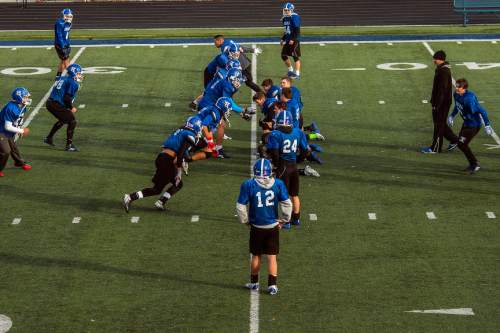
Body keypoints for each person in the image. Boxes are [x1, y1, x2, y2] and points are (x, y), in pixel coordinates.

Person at [123, 117, 203, 212]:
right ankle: (135, 198)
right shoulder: (190, 135)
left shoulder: (180, 131)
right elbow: (179, 157)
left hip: (161, 157)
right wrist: (179, 173)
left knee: (158, 189)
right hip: (168, 160)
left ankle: (135, 198)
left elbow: (180, 152)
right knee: (175, 184)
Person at [237, 158, 292, 295]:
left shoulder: (248, 184)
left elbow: (240, 205)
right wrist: (285, 220)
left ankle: (254, 283)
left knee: (256, 256)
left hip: (256, 226)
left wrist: (245, 221)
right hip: (273, 226)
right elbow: (287, 203)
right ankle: (272, 285)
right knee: (272, 257)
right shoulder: (278, 184)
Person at [266, 110, 309, 228]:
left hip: (283, 166)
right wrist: (298, 160)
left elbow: (274, 153)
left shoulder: (275, 134)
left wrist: (275, 165)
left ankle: (287, 221)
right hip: (293, 165)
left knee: (283, 196)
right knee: (294, 194)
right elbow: (305, 151)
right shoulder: (298, 132)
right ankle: (296, 219)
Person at [447, 79, 493, 174]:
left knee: (462, 144)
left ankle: (475, 164)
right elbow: (457, 105)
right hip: (466, 123)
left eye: (458, 87)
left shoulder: (469, 98)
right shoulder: (456, 94)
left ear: (464, 88)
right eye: (456, 86)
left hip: (473, 125)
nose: (456, 88)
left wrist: (487, 125)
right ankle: (473, 164)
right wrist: (452, 115)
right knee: (461, 144)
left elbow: (482, 111)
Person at [421, 50, 457, 153]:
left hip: (442, 103)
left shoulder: (443, 71)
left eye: (435, 59)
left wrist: (437, 104)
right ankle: (455, 140)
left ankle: (435, 148)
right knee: (441, 124)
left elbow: (442, 89)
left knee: (438, 125)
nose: (434, 60)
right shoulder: (442, 69)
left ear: (439, 59)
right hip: (442, 102)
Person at [44, 63, 83, 152]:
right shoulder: (73, 83)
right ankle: (69, 145)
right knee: (72, 121)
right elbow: (66, 98)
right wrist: (71, 107)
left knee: (64, 119)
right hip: (56, 104)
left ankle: (49, 138)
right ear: (74, 73)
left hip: (51, 102)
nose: (80, 75)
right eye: (79, 73)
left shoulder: (63, 78)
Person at [0, 87, 32, 177]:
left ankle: (19, 163)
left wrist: (18, 129)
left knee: (14, 148)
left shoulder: (22, 106)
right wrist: (21, 130)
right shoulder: (11, 108)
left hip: (8, 131)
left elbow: (18, 120)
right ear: (19, 97)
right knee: (6, 151)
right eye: (25, 97)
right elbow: (7, 126)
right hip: (1, 131)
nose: (27, 99)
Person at [281, 2, 301, 79]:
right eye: (285, 10)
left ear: (291, 10)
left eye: (287, 10)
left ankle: (297, 74)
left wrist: (293, 39)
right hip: (288, 39)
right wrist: (283, 39)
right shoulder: (285, 18)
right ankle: (290, 70)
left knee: (295, 57)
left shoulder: (295, 17)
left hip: (294, 40)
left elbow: (297, 30)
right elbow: (287, 30)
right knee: (283, 55)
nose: (285, 11)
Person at [54, 8, 73, 80]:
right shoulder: (59, 23)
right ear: (63, 15)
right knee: (66, 61)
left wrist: (68, 43)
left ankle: (58, 76)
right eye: (68, 16)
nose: (69, 17)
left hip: (66, 44)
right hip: (60, 45)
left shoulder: (69, 23)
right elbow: (59, 35)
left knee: (63, 61)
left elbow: (66, 34)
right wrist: (62, 46)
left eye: (70, 16)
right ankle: (72, 76)